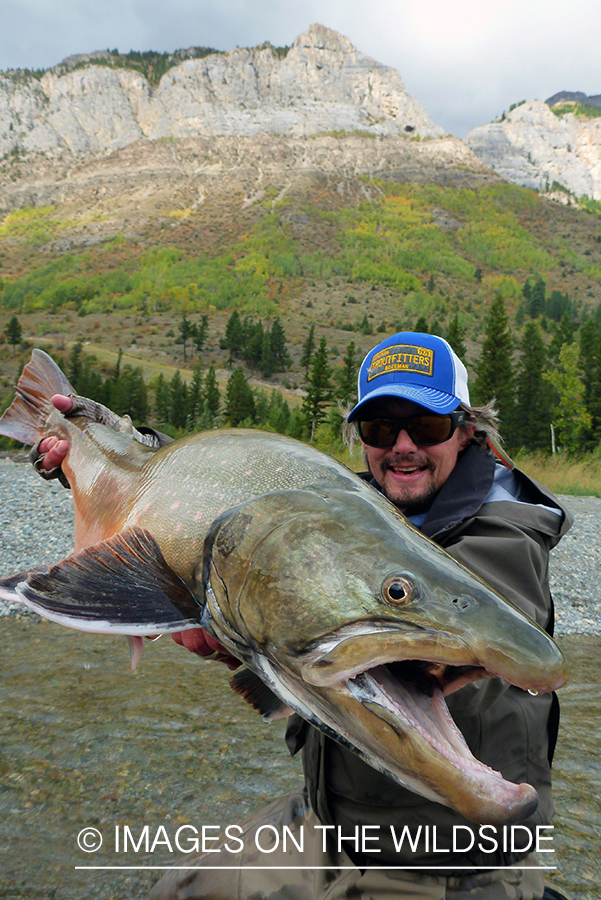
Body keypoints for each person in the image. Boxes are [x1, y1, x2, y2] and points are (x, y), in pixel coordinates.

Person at [34, 332, 572, 900]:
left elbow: (462, 613)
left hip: (448, 865)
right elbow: (233, 489)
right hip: (332, 824)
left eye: (429, 426)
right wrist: (118, 441)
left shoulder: (507, 538)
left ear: (469, 432)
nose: (404, 446)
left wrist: (236, 620)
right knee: (176, 889)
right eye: (381, 429)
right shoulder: (356, 509)